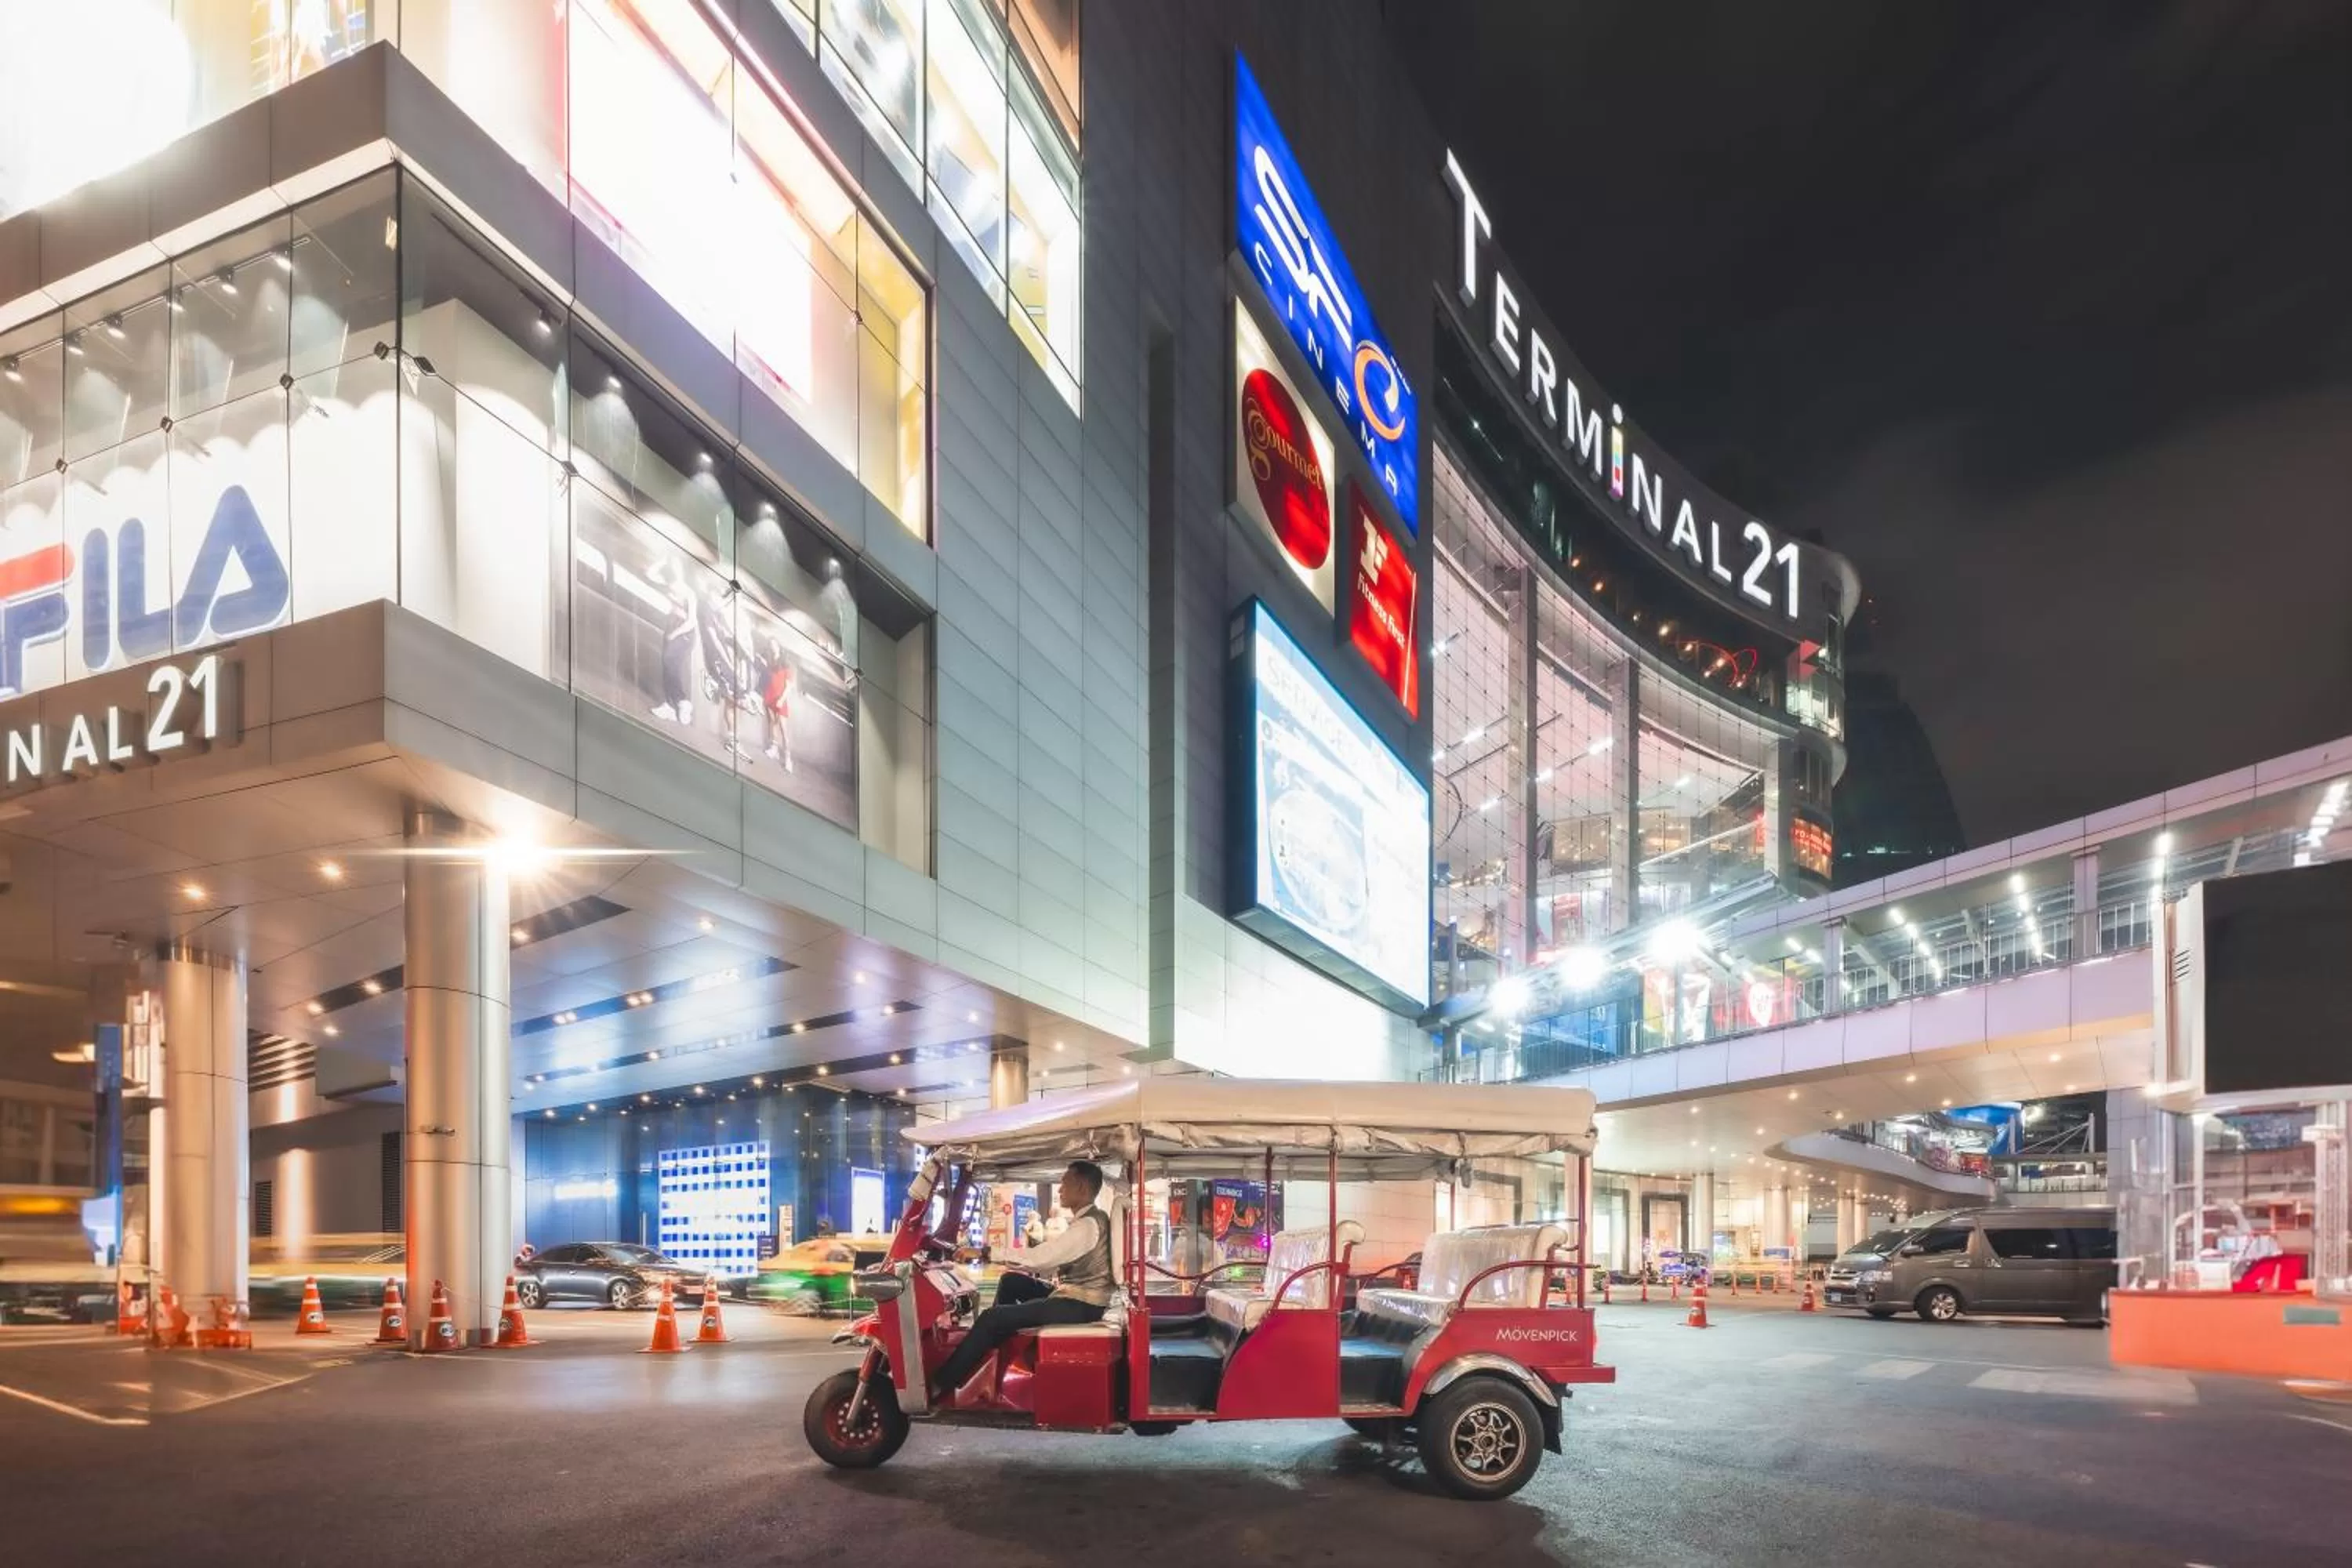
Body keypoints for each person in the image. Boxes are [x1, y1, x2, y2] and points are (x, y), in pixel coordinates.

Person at [931, 1161, 1115, 1403]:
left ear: (1081, 1188)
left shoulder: (1087, 1225)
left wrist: (986, 1253)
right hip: (1075, 1296)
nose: (1059, 1190)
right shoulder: (1089, 1220)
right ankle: (995, 1343)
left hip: (1080, 1304)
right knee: (1010, 1282)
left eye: (1064, 1184)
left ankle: (940, 1384)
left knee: (991, 1317)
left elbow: (1041, 1258)